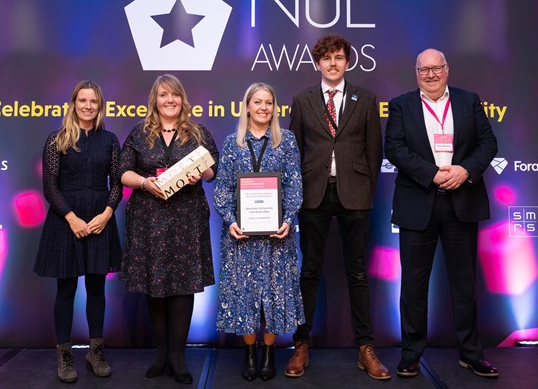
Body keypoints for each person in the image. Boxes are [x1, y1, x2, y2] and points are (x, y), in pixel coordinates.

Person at [384, 48, 499, 378]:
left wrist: (465, 170)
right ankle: (411, 354)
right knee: (414, 286)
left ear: (447, 70)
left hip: (462, 201)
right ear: (416, 73)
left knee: (465, 284)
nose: (430, 74)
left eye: (436, 68)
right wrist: (431, 173)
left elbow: (488, 144)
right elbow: (395, 147)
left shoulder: (468, 100)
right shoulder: (401, 105)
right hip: (418, 203)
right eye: (424, 70)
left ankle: (471, 353)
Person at [286, 34, 389, 380]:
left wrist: (364, 188)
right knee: (309, 271)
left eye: (339, 58)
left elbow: (374, 152)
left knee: (358, 272)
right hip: (313, 194)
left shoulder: (366, 98)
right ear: (317, 63)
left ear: (348, 62)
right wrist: (296, 193)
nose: (333, 63)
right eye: (327, 58)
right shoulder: (302, 100)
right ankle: (301, 344)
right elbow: (293, 152)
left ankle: (365, 347)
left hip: (355, 194)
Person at [119, 74, 218, 385]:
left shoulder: (198, 132)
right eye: (163, 95)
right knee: (155, 284)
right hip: (148, 218)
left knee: (182, 285)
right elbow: (123, 173)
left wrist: (200, 174)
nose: (170, 100)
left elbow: (213, 172)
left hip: (186, 218)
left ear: (182, 99)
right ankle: (161, 354)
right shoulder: (139, 134)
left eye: (175, 95)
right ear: (155, 100)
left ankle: (178, 356)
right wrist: (145, 182)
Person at [34, 80, 122, 383]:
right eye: (82, 100)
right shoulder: (56, 139)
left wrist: (106, 214)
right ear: (73, 104)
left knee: (97, 289)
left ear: (100, 106)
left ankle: (95, 352)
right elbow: (50, 187)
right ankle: (65, 356)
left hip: (100, 218)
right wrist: (71, 218)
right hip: (64, 220)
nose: (87, 106)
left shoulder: (110, 140)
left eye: (93, 101)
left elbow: (117, 184)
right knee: (66, 289)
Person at [214, 83, 304, 381]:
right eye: (258, 102)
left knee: (274, 296)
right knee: (245, 296)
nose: (264, 107)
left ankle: (268, 354)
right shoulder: (231, 143)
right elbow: (223, 187)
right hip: (241, 237)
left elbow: (294, 185)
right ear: (248, 106)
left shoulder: (286, 141)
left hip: (277, 236)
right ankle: (249, 353)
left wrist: (289, 219)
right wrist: (230, 220)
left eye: (269, 103)